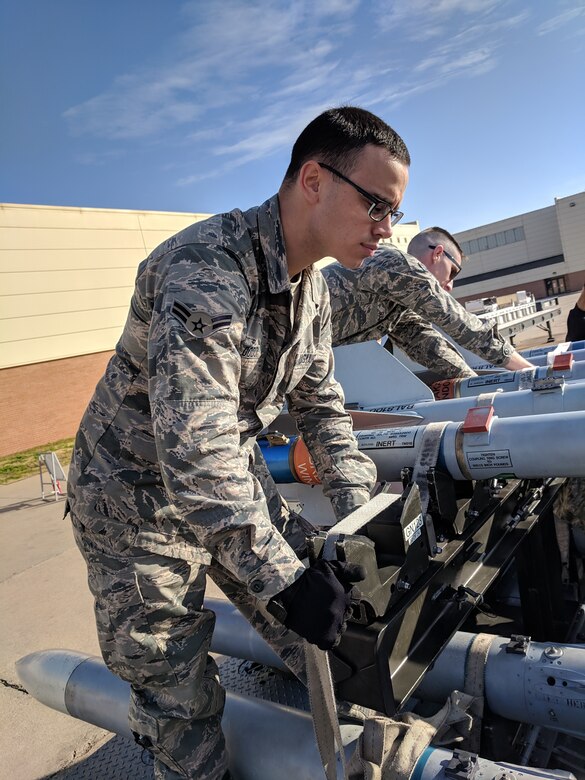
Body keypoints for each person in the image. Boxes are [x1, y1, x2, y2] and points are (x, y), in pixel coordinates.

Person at [66, 106, 411, 780]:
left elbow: (323, 409)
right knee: (181, 708)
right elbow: (196, 454)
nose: (386, 228)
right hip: (134, 507)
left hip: (228, 480)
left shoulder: (310, 292)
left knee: (328, 639)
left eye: (395, 211)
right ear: (314, 180)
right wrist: (284, 582)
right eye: (376, 204)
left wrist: (355, 519)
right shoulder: (207, 268)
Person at [324, 226, 534, 379]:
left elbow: (429, 346)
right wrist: (529, 371)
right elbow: (465, 326)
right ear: (438, 254)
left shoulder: (399, 305)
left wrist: (473, 383)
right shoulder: (400, 265)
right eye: (453, 272)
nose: (450, 285)